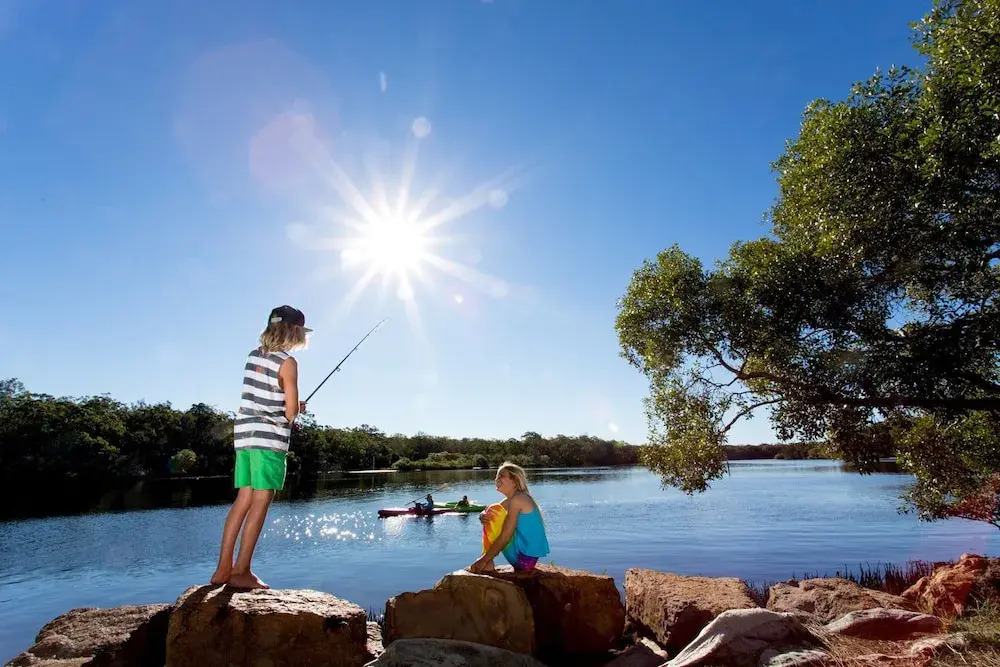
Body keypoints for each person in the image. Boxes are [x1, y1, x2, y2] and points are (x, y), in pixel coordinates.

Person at [210, 305, 312, 589]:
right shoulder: (288, 363)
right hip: (268, 439)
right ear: (294, 331)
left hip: (244, 435)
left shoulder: (253, 355)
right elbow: (289, 412)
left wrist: (287, 405)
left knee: (243, 498)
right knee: (261, 501)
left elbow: (262, 396)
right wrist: (297, 408)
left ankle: (222, 570)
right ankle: (241, 571)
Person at [469, 462, 549, 572]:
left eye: (501, 476)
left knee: (493, 512)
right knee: (492, 511)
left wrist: (484, 560)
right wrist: (482, 515)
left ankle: (487, 562)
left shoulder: (517, 500)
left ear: (515, 480)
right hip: (525, 558)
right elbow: (489, 510)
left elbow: (505, 536)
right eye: (496, 476)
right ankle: (487, 561)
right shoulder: (516, 498)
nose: (496, 479)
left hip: (523, 560)